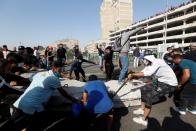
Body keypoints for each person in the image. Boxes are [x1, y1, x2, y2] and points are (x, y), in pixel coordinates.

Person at [2, 61, 78, 130]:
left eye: (62, 70)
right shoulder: (53, 79)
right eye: (60, 70)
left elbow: (29, 79)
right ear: (54, 68)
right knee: (37, 124)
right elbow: (64, 93)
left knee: (12, 123)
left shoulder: (40, 73)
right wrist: (74, 100)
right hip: (33, 106)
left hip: (21, 102)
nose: (61, 71)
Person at [127, 55, 178, 126]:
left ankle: (143, 119)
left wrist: (133, 74)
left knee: (149, 96)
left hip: (170, 84)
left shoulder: (158, 62)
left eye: (144, 60)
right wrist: (133, 75)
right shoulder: (150, 64)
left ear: (148, 59)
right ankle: (142, 109)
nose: (143, 61)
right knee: (143, 89)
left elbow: (148, 73)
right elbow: (142, 72)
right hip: (161, 81)